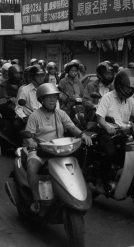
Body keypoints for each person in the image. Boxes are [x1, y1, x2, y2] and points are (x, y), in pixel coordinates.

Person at [24, 83, 93, 212]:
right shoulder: (34, 116)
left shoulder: (61, 113)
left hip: (59, 150)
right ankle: (36, 199)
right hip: (41, 150)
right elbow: (28, 135)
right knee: (31, 167)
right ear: (41, 100)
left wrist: (82, 135)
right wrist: (31, 142)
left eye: (54, 97)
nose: (52, 100)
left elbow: (71, 127)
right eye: (48, 97)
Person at [0, 64, 24, 144]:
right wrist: (10, 99)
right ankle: (15, 140)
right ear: (11, 74)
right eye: (16, 73)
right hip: (8, 108)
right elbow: (2, 99)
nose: (18, 75)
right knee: (16, 122)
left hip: (21, 106)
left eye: (19, 73)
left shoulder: (23, 84)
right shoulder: (4, 84)